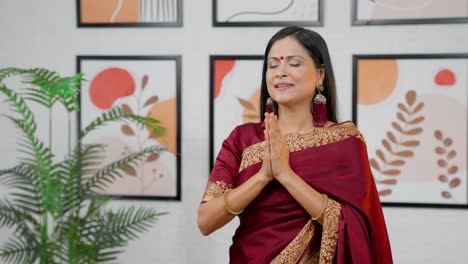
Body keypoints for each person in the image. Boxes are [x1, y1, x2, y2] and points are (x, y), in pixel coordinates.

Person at [197, 26, 393, 264]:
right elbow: (206, 221)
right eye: (273, 65)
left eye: (294, 63)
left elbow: (355, 226)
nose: (280, 72)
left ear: (320, 75)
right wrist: (262, 177)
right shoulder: (242, 139)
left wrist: (286, 175)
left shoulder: (345, 142)